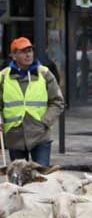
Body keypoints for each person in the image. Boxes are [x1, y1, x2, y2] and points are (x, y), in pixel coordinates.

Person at [1, 37, 65, 166]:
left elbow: (58, 102)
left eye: (30, 50)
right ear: (14, 56)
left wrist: (45, 121)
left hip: (40, 135)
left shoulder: (45, 74)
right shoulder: (3, 76)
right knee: (18, 179)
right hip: (15, 136)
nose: (28, 54)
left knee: (41, 179)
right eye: (23, 51)